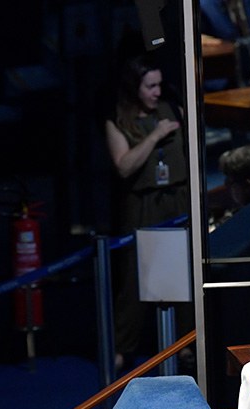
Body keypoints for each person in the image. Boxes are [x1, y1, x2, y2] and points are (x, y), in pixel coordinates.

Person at [104, 54, 191, 369]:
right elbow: (124, 166)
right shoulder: (119, 121)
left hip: (178, 199)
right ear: (134, 88)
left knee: (182, 272)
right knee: (135, 277)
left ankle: (185, 344)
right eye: (150, 86)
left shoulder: (174, 110)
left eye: (159, 85)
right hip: (143, 204)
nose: (157, 92)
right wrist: (155, 135)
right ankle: (122, 347)